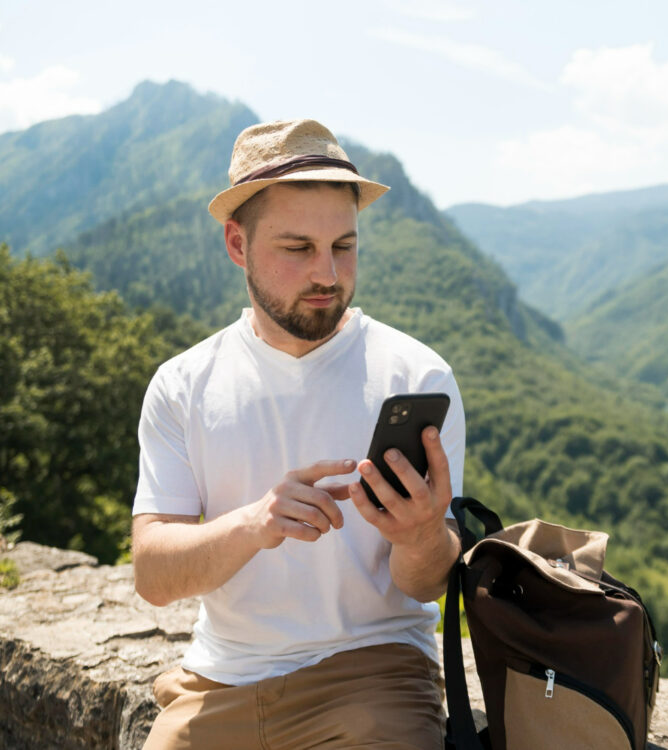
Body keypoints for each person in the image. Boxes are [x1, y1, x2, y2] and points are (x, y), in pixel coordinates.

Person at [131, 119, 465, 749]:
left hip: (374, 674)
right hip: (218, 682)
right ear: (237, 244)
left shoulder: (417, 376)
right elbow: (152, 575)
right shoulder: (183, 385)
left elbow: (428, 585)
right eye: (297, 248)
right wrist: (254, 524)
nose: (328, 274)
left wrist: (422, 536)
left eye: (344, 245)